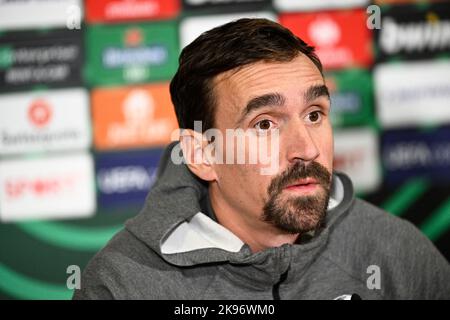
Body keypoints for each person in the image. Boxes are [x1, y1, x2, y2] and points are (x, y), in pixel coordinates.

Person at [73, 18, 450, 300]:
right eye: (265, 123)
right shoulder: (121, 285)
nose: (306, 148)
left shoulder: (395, 251)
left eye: (314, 114)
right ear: (202, 154)